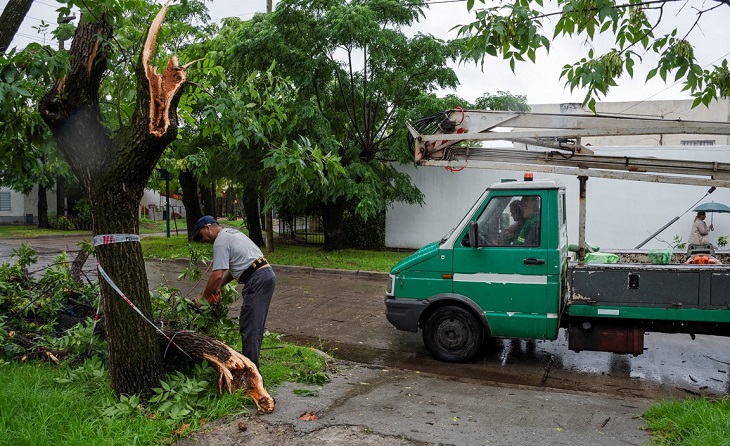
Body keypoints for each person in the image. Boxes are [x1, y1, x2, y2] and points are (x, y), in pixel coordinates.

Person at [192, 215, 276, 369]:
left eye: (201, 235)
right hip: (263, 274)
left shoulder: (220, 242)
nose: (202, 239)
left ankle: (250, 372)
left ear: (208, 227)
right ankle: (252, 366)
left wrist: (203, 298)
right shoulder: (231, 233)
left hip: (257, 278)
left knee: (250, 326)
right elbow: (236, 268)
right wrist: (219, 286)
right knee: (252, 324)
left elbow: (216, 274)